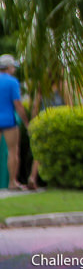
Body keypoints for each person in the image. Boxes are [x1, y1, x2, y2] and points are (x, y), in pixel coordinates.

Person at [27, 79, 72, 190]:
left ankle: (33, 177)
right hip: (58, 123)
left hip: (43, 122)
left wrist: (32, 123)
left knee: (39, 153)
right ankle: (58, 180)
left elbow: (35, 107)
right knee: (59, 152)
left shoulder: (42, 86)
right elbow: (69, 105)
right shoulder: (63, 86)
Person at [0, 54, 29, 191]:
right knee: (13, 151)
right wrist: (26, 121)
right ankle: (12, 182)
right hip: (8, 120)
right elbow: (17, 104)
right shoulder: (12, 82)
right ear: (9, 67)